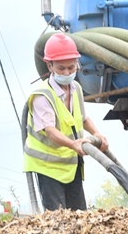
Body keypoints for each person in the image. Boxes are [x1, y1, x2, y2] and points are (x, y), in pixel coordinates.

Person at [23, 33, 109, 211]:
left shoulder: (76, 88)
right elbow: (49, 130)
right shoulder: (42, 96)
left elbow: (83, 118)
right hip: (47, 166)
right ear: (50, 65)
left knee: (79, 215)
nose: (67, 73)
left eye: (71, 67)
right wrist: (73, 144)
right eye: (61, 68)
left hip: (71, 163)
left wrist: (97, 134)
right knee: (58, 218)